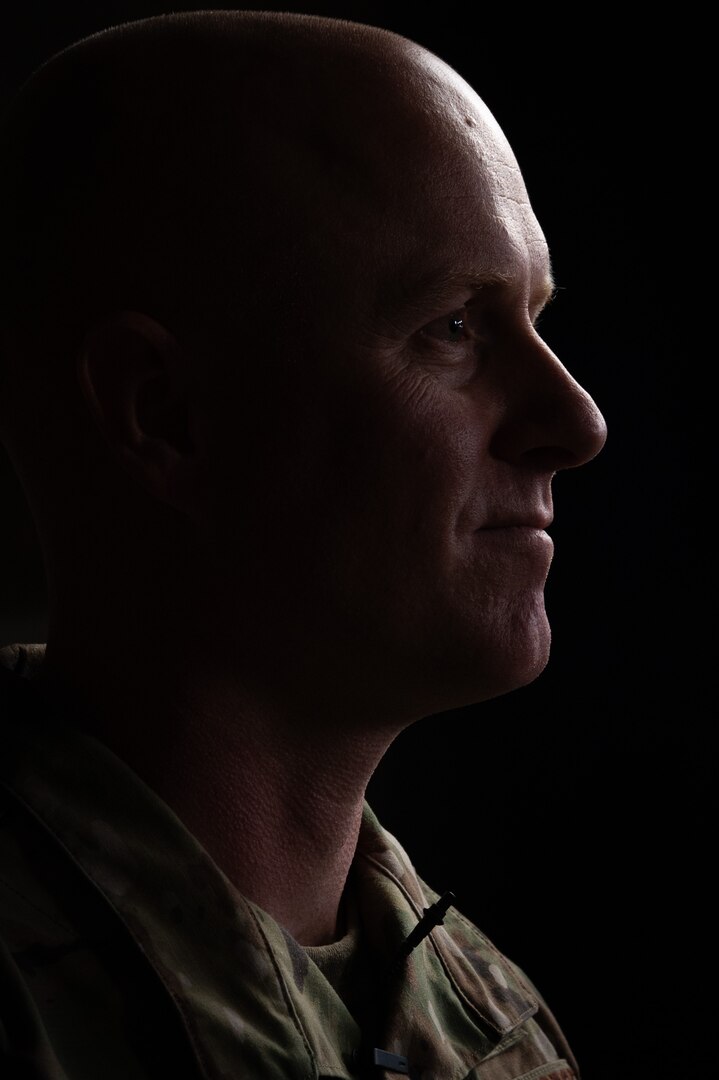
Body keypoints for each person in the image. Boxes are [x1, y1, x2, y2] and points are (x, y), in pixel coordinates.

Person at [0, 10, 606, 1079]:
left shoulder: (495, 1027)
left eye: (535, 317)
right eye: (453, 327)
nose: (575, 421)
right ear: (166, 416)